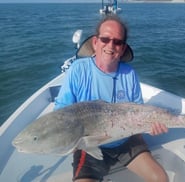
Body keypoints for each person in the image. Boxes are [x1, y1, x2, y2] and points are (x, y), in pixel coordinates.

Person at [55, 15, 169, 182]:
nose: (111, 45)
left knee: (160, 178)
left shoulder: (129, 74)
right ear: (95, 42)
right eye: (105, 39)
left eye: (117, 42)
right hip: (89, 144)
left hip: (126, 140)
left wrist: (151, 126)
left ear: (123, 48)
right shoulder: (78, 70)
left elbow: (137, 111)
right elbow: (61, 111)